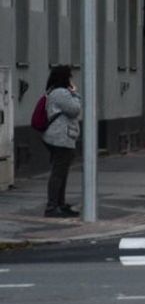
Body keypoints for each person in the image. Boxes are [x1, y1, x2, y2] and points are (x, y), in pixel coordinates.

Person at [42, 65, 82, 218]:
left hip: (58, 137)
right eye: (70, 76)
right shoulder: (61, 93)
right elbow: (75, 110)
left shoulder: (53, 91)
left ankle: (60, 204)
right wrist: (75, 93)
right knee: (58, 173)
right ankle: (52, 206)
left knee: (61, 173)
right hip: (60, 138)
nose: (71, 79)